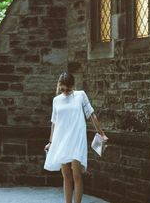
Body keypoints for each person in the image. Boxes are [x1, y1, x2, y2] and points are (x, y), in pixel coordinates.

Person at [43, 72, 108, 203]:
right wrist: (50, 142)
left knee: (76, 175)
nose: (65, 92)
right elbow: (54, 123)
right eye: (62, 89)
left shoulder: (80, 95)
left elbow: (91, 115)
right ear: (59, 86)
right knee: (66, 176)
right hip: (61, 140)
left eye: (68, 89)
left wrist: (102, 133)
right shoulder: (56, 100)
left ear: (73, 86)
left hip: (76, 138)